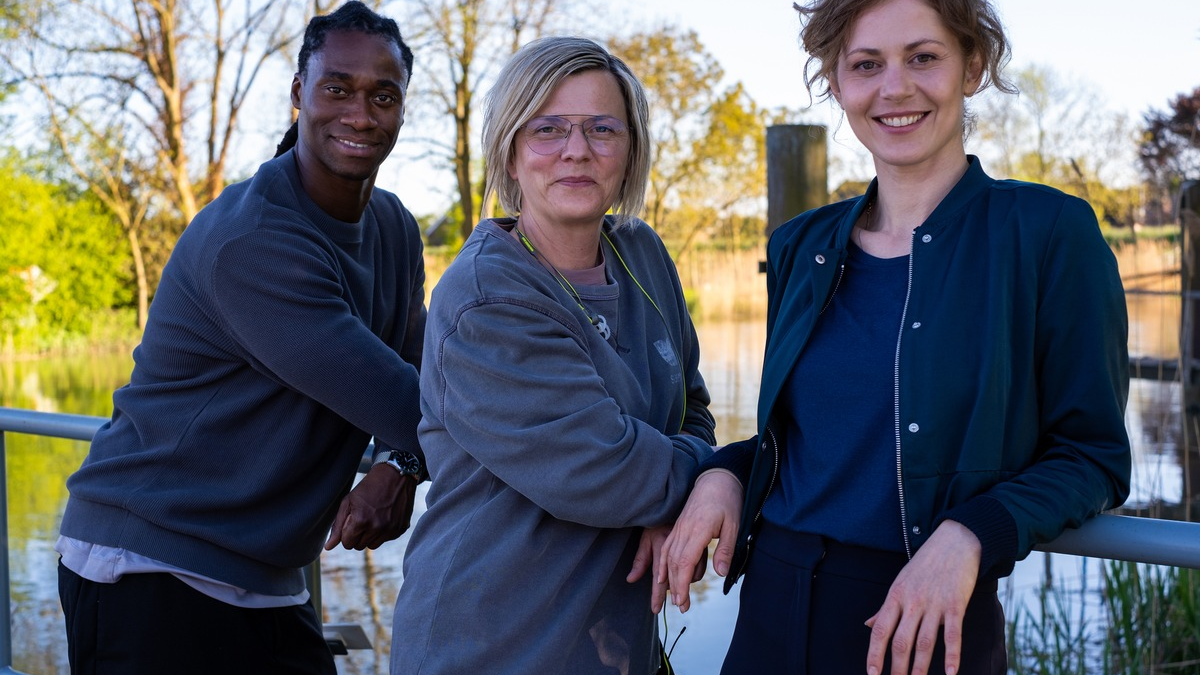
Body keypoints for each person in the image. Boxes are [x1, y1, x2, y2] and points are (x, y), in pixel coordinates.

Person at [659, 1, 1132, 674]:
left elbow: (1094, 456)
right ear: (836, 82)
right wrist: (725, 471)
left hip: (921, 626)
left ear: (972, 66)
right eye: (865, 65)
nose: (895, 87)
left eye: (923, 57)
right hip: (768, 613)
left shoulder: (1048, 234)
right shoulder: (800, 245)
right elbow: (815, 438)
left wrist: (971, 531)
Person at [55, 3, 426, 673]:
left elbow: (426, 377)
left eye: (384, 94)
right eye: (336, 87)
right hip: (151, 564)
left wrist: (398, 465)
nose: (360, 113)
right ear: (297, 95)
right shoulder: (255, 241)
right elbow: (412, 403)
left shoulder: (395, 228)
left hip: (264, 576)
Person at [389, 35, 716, 675]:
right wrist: (704, 484)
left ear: (630, 149)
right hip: (491, 646)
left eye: (603, 128)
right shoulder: (487, 299)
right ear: (510, 152)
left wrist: (677, 489)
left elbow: (691, 409)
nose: (577, 150)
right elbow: (607, 473)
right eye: (548, 129)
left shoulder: (643, 254)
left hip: (612, 646)